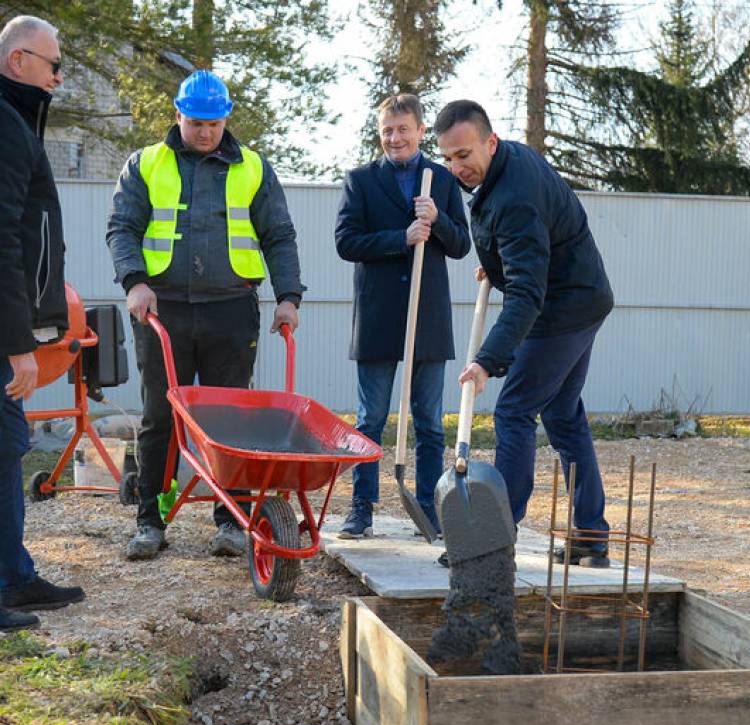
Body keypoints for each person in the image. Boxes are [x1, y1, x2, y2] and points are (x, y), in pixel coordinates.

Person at [107, 70, 304, 561]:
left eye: (214, 123)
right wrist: (134, 282)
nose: (206, 132)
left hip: (231, 310)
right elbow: (122, 228)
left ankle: (231, 521)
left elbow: (278, 234)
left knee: (232, 418)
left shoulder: (254, 168)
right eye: (196, 122)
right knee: (160, 416)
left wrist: (289, 296)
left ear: (225, 119)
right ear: (178, 116)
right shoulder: (146, 164)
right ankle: (149, 521)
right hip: (162, 311)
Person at [435, 100, 614, 567]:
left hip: (562, 308)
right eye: (449, 158)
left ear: (490, 142)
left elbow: (527, 295)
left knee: (514, 410)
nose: (458, 168)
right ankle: (592, 537)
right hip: (581, 296)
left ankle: (497, 538)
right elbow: (530, 245)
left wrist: (487, 361)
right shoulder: (507, 163)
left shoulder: (513, 196)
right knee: (562, 415)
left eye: (465, 154)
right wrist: (496, 265)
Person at [335, 94, 470, 539]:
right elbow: (347, 242)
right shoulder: (360, 181)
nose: (395, 137)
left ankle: (428, 506)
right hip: (377, 316)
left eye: (403, 129)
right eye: (388, 130)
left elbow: (460, 245)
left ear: (419, 130)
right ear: (381, 133)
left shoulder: (442, 181)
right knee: (370, 418)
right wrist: (402, 237)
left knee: (429, 419)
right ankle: (362, 507)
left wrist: (438, 221)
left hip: (427, 318)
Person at [0, 15, 85, 630]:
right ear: (18, 61)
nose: (59, 76)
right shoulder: (4, 124)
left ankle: (14, 578)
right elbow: (2, 241)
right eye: (54, 64)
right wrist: (16, 343)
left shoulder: (16, 120)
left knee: (8, 447)